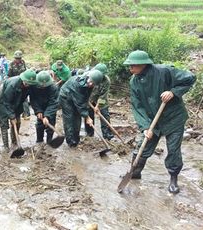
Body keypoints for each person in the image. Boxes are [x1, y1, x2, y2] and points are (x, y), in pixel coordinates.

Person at [123, 50, 196, 194]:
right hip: (152, 121)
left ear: (143, 64)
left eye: (133, 66)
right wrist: (145, 127)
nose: (130, 69)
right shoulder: (134, 81)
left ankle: (173, 180)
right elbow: (137, 106)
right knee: (142, 146)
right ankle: (135, 172)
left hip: (173, 118)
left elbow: (190, 78)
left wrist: (173, 92)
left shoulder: (164, 71)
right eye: (129, 66)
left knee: (173, 150)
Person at [59, 70, 104, 147]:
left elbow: (85, 98)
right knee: (69, 118)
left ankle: (76, 139)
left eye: (93, 84)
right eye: (90, 82)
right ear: (88, 77)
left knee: (77, 117)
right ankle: (70, 141)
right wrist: (87, 117)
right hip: (66, 97)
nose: (91, 84)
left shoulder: (90, 85)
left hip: (76, 97)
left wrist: (86, 109)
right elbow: (80, 104)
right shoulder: (78, 84)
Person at [0, 69, 37, 150]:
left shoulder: (31, 85)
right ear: (23, 79)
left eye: (29, 84)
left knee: (17, 122)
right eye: (26, 83)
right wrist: (12, 116)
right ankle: (6, 147)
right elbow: (6, 102)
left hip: (18, 103)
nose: (28, 85)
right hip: (3, 103)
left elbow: (33, 99)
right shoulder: (12, 85)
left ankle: (15, 142)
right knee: (4, 125)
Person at [84, 63, 114, 140]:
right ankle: (89, 134)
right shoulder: (89, 76)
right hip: (89, 98)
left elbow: (103, 95)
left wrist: (97, 106)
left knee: (104, 115)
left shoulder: (107, 81)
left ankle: (107, 135)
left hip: (101, 99)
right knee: (89, 115)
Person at [29, 71, 59, 143]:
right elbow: (33, 99)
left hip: (50, 106)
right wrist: (38, 111)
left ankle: (49, 141)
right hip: (39, 105)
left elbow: (53, 103)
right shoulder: (33, 86)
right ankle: (39, 141)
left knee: (51, 123)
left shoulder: (53, 87)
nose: (43, 87)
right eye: (41, 85)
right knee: (40, 124)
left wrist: (47, 116)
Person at [8, 50, 30, 119]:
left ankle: (26, 114)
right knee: (15, 99)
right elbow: (9, 75)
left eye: (19, 58)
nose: (18, 60)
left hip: (23, 83)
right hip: (14, 84)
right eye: (16, 58)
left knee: (24, 99)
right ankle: (13, 114)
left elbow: (25, 72)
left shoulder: (23, 62)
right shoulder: (11, 64)